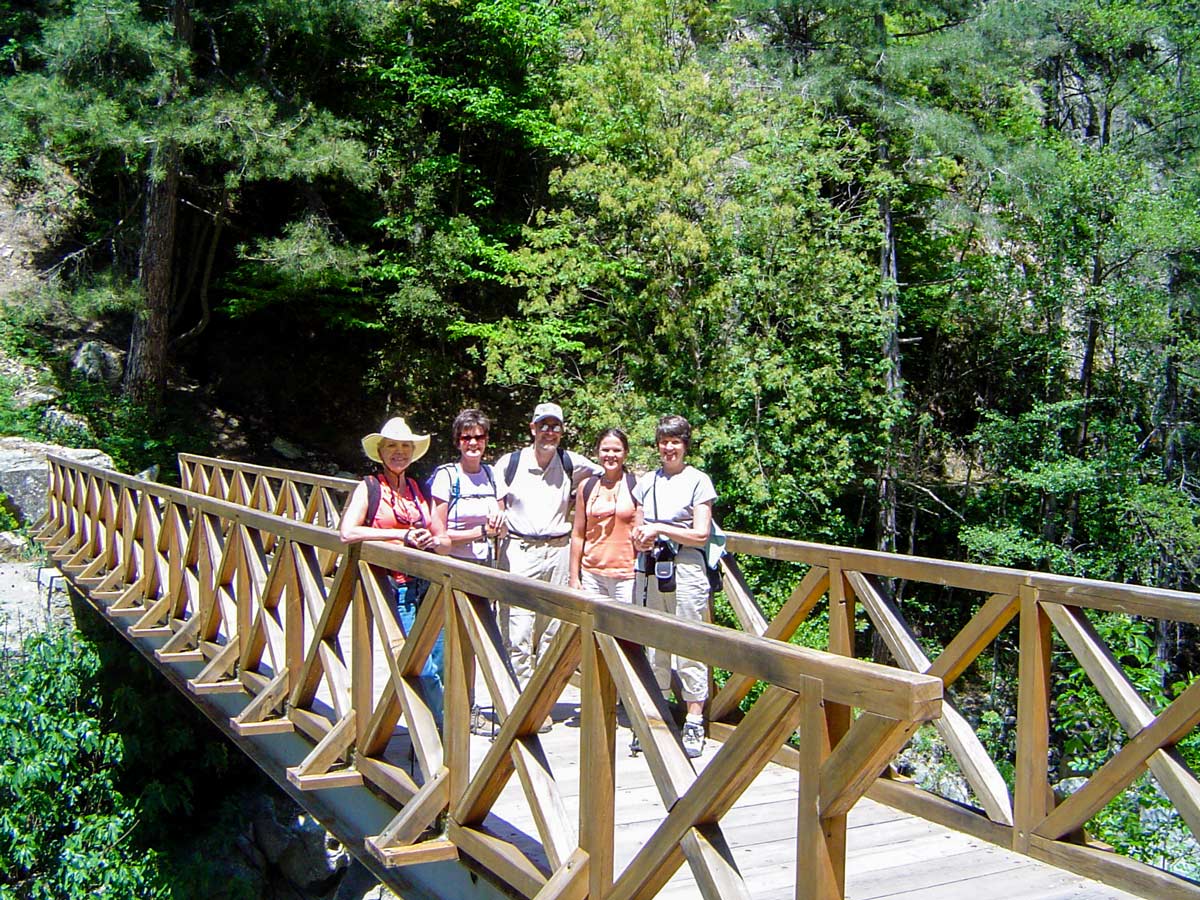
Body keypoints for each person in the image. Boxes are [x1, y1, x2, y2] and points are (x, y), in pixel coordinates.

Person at [339, 416, 448, 722]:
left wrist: (433, 538)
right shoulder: (370, 487)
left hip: (427, 586)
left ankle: (436, 733)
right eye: (392, 446)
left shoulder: (417, 488)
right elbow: (347, 532)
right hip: (394, 589)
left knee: (440, 665)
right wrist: (399, 535)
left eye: (405, 446)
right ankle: (439, 731)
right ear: (381, 452)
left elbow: (443, 538)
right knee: (421, 670)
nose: (399, 452)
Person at [495, 402, 601, 705]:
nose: (549, 432)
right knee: (518, 629)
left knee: (554, 629)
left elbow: (606, 473)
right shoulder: (510, 463)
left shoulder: (570, 462)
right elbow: (495, 501)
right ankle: (523, 702)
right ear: (532, 428)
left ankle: (540, 699)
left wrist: (586, 500)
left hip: (558, 551)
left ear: (562, 431)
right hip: (519, 550)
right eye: (543, 425)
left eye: (555, 426)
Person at [631, 414, 717, 759]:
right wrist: (641, 537)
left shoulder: (699, 481)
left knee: (690, 640)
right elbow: (637, 527)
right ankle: (658, 713)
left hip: (687, 567)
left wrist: (661, 530)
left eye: (675, 442)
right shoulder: (646, 482)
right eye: (664, 442)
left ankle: (694, 719)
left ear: (685, 445)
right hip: (652, 568)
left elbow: (701, 533)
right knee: (655, 641)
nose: (669, 448)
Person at [568, 428, 640, 602]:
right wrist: (573, 576)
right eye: (605, 450)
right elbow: (578, 534)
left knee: (623, 628)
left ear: (626, 453)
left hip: (626, 576)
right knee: (592, 628)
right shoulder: (586, 487)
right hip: (591, 574)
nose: (610, 455)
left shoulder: (636, 485)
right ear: (597, 452)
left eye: (617, 450)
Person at [429, 409, 507, 564]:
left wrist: (499, 524)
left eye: (479, 437)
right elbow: (438, 536)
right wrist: (481, 532)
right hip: (453, 562)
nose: (473, 443)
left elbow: (503, 532)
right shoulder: (446, 476)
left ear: (486, 440)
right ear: (458, 442)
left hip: (486, 562)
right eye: (466, 438)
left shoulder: (493, 474)